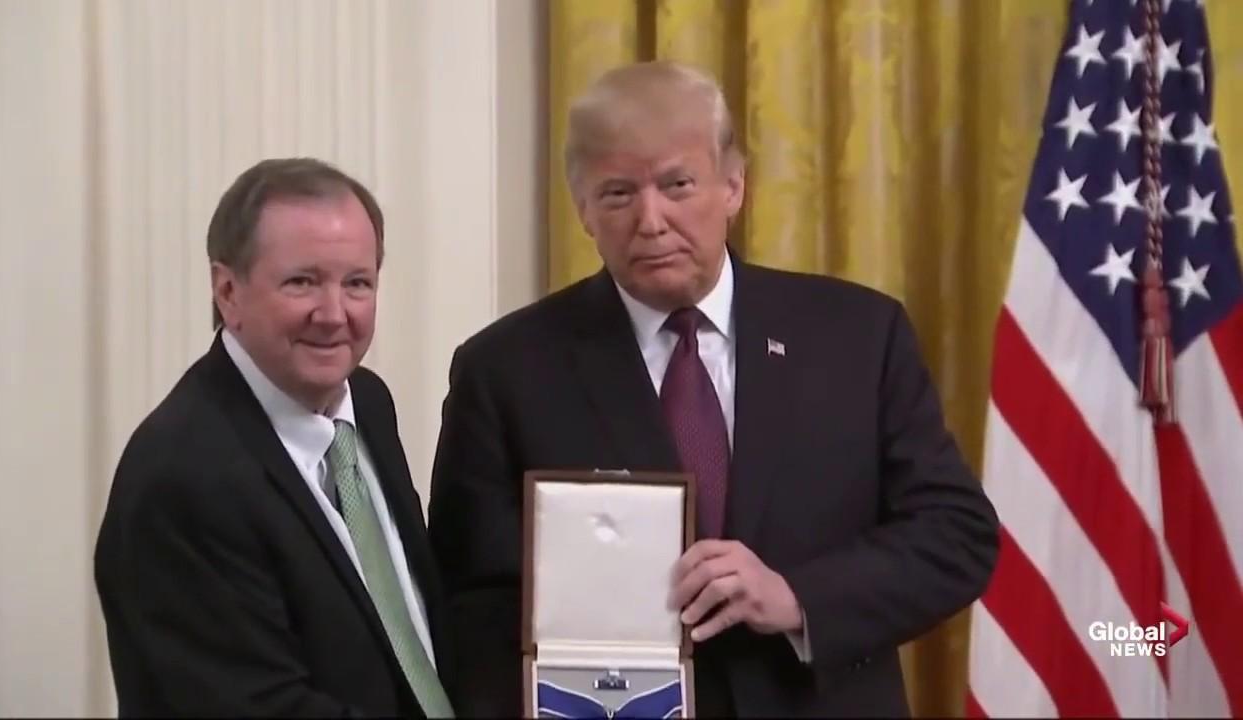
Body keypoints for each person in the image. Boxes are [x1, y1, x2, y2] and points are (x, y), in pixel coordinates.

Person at [427, 61, 999, 717]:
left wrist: (797, 598)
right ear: (583, 209)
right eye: (617, 193)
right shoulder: (505, 369)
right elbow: (471, 603)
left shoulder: (858, 337)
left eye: (677, 184)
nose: (651, 219)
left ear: (733, 185)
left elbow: (955, 535)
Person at [95, 158, 455, 717]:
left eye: (357, 283)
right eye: (301, 282)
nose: (333, 314)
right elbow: (257, 706)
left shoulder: (367, 404)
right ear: (227, 292)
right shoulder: (182, 478)